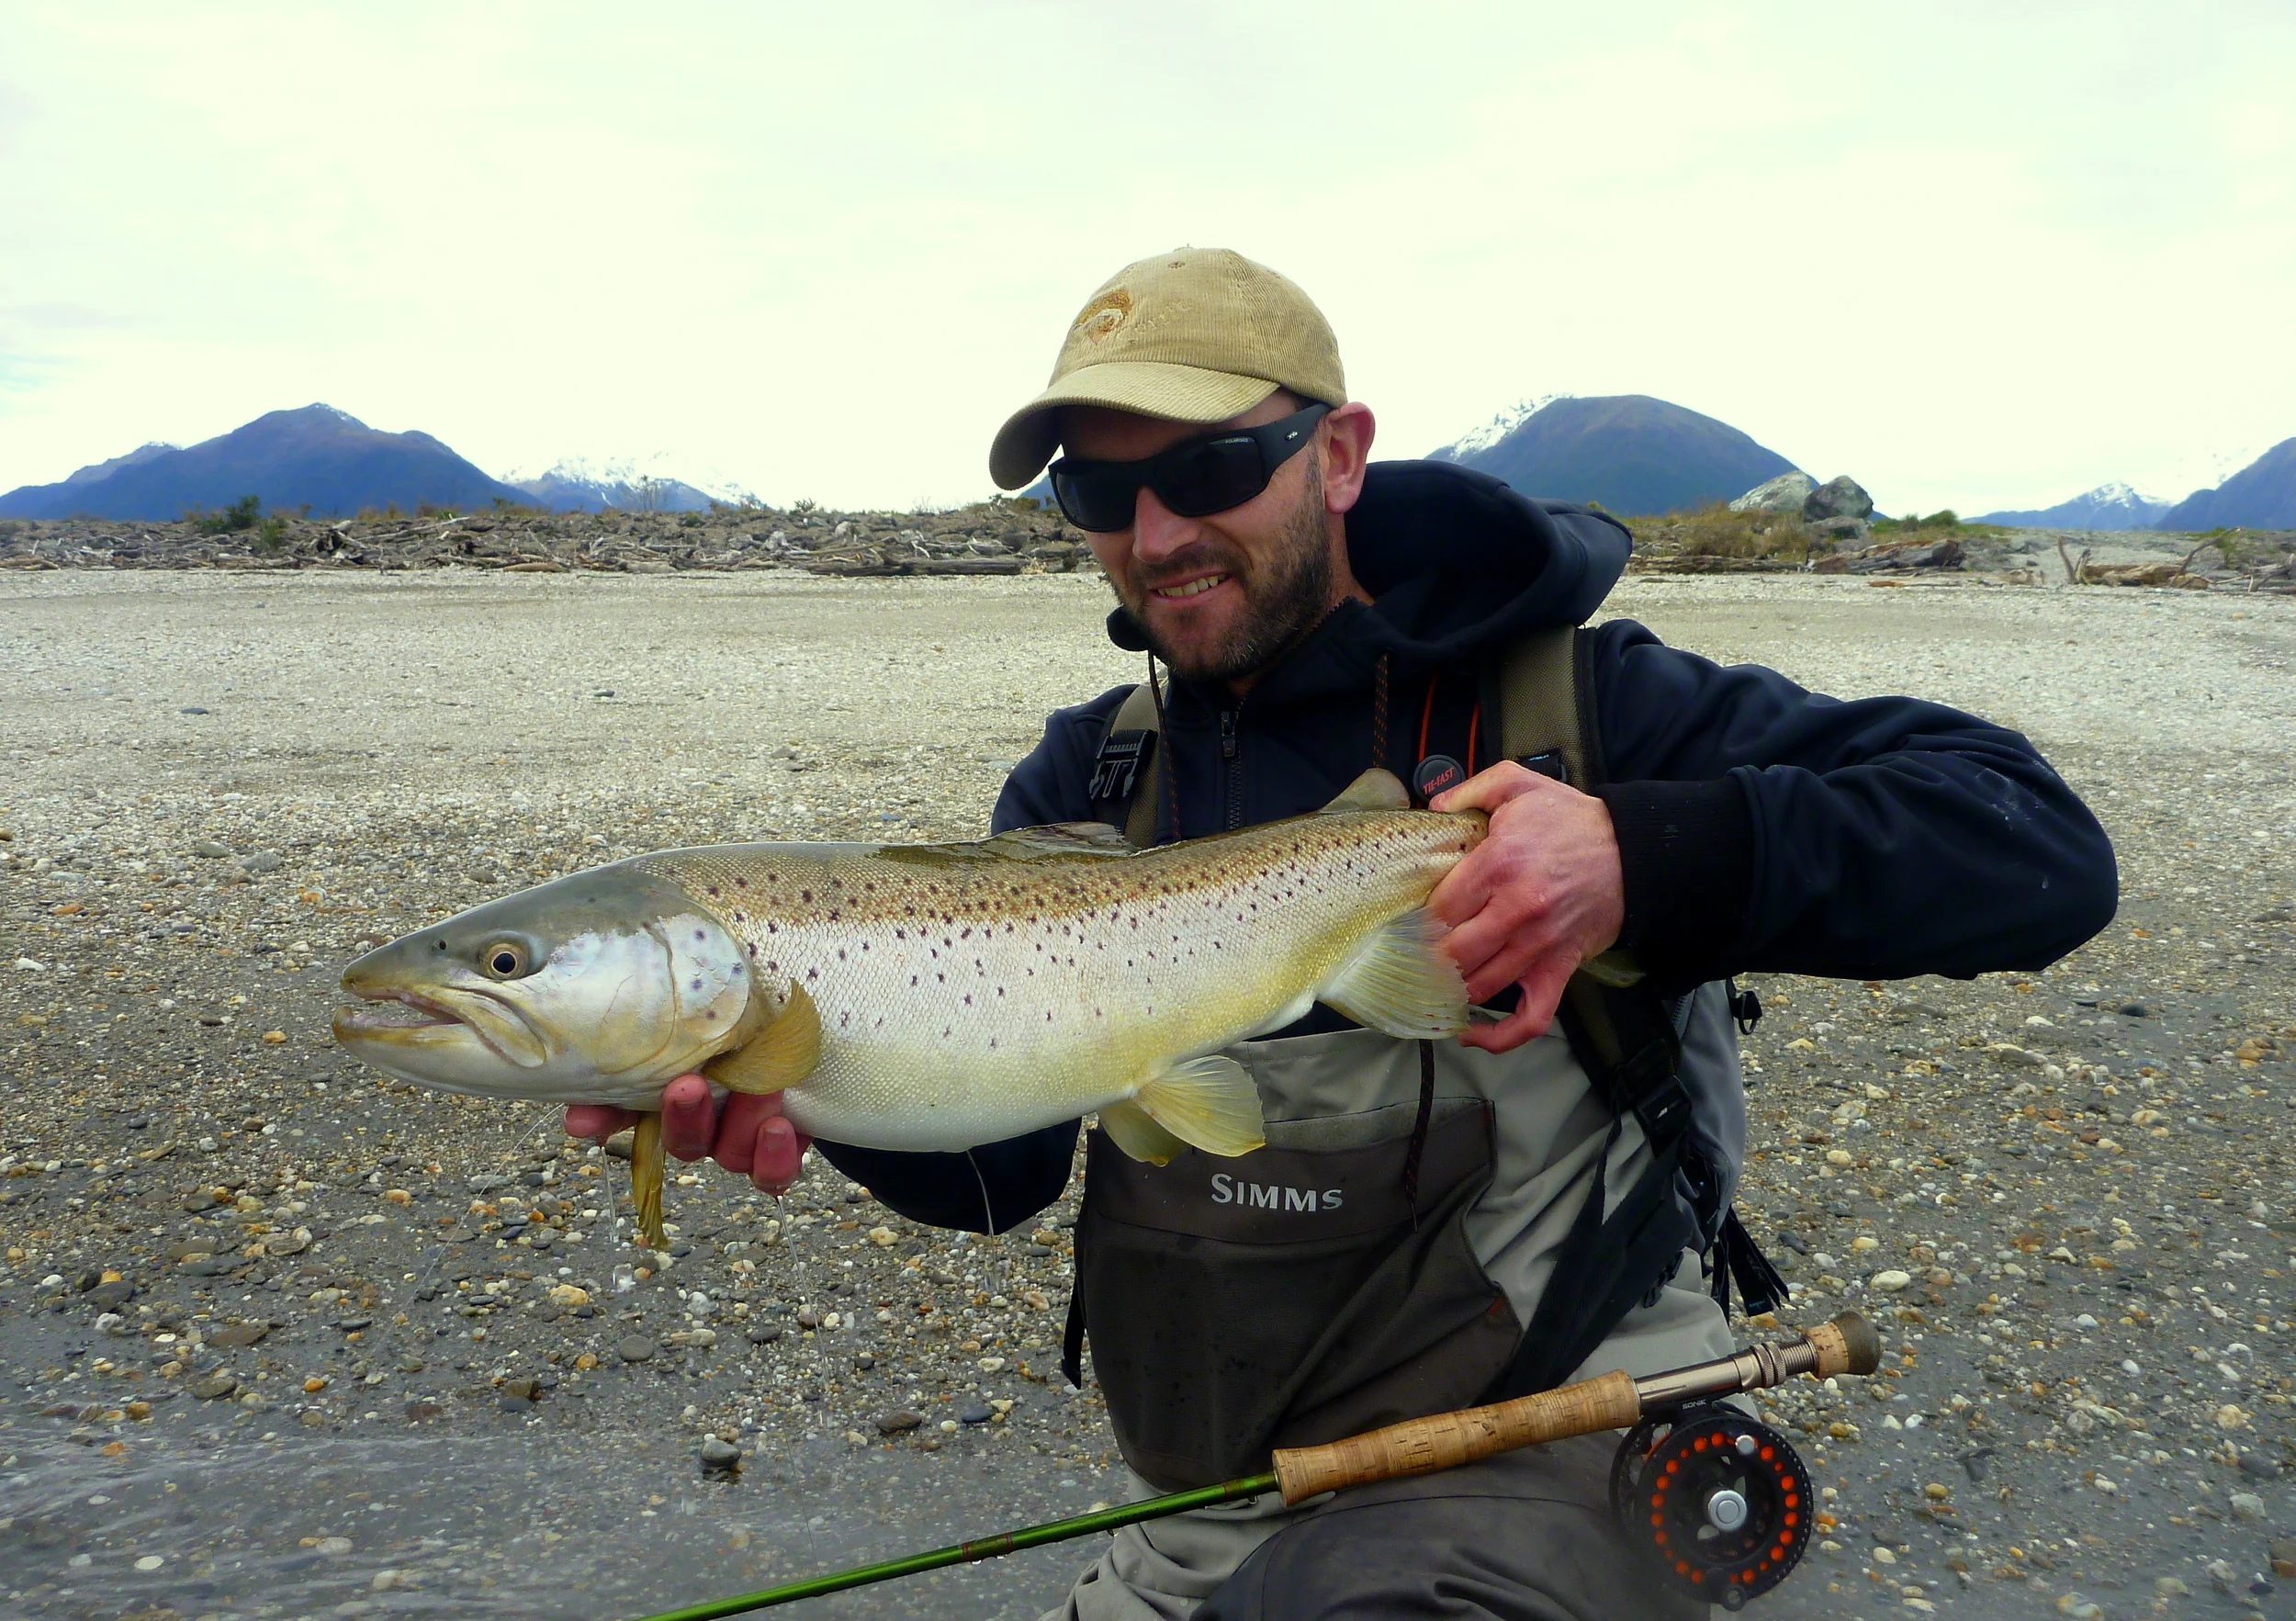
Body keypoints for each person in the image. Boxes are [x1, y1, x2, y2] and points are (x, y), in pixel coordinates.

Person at [568, 248, 2117, 1618]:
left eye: (1213, 464)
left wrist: (1641, 859)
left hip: (1553, 1448)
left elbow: (2037, 845)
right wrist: (830, 1095)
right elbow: (1005, 1176)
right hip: (1216, 1510)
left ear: (1342, 451)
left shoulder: (1580, 710)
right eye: (1103, 494)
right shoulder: (1090, 782)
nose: (1157, 529)